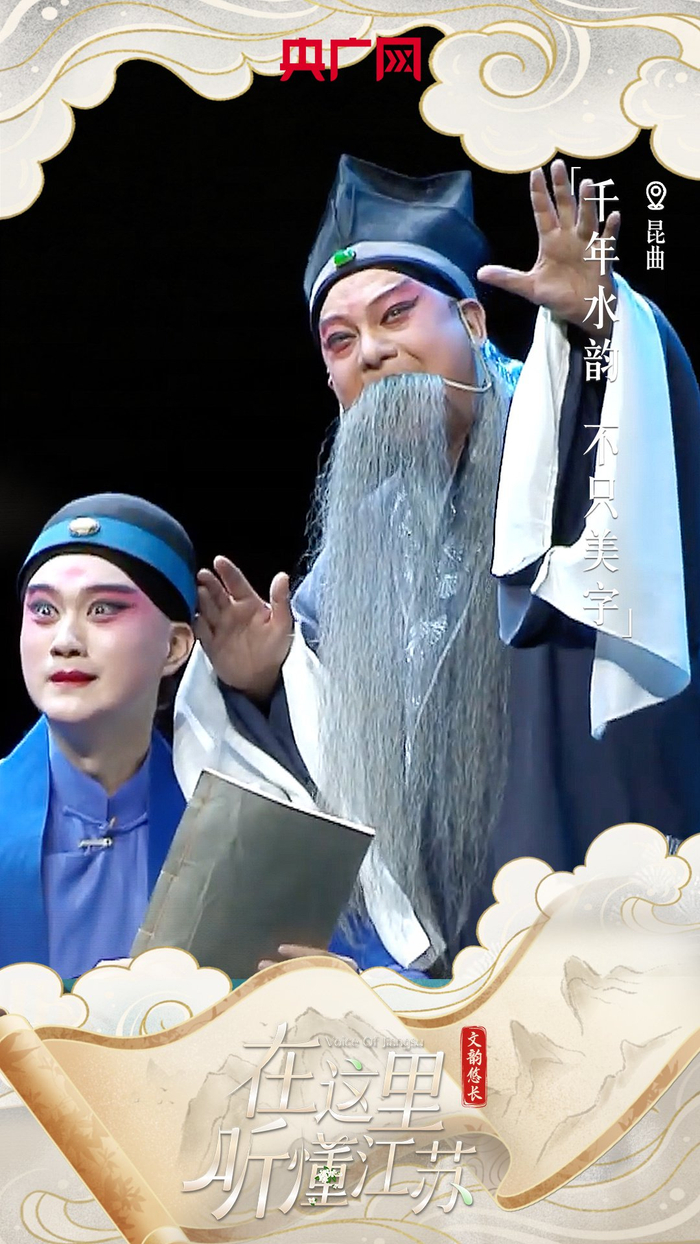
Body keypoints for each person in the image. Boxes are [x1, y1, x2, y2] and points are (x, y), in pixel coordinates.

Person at [174, 155, 700, 978]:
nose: (373, 351)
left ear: (475, 322)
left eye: (396, 314)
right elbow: (335, 790)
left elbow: (642, 453)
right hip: (439, 978)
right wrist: (264, 685)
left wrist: (600, 325)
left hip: (598, 935)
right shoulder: (351, 565)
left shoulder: (558, 455)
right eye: (341, 341)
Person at [0, 494, 196, 978]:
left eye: (103, 609)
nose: (65, 641)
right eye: (44, 610)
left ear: (174, 646)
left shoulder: (232, 843)